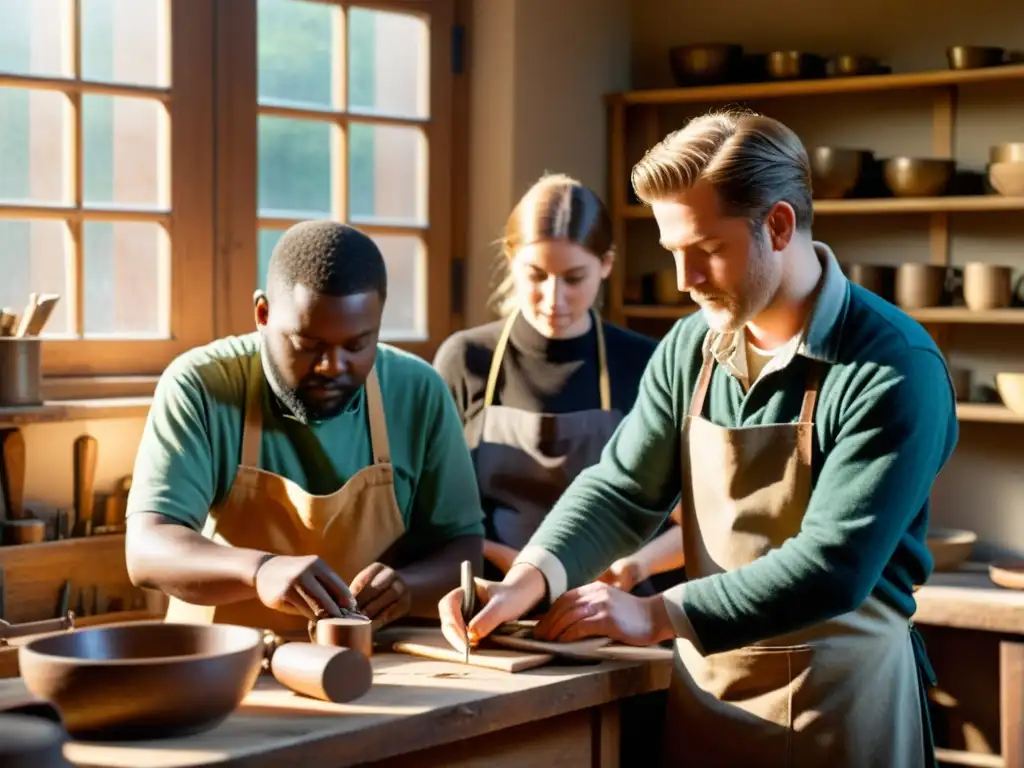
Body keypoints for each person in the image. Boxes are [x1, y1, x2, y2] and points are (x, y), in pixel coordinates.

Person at [438, 110, 958, 767]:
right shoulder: (693, 346)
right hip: (708, 700)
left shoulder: (893, 365)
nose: (684, 279)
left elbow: (834, 566)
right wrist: (531, 578)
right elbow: (623, 489)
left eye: (706, 249)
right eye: (671, 252)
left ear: (778, 226)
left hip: (843, 710)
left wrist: (654, 616)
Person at [124, 220, 484, 637]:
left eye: (356, 345)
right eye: (308, 344)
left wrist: (408, 588)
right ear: (262, 314)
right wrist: (259, 571)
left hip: (371, 664)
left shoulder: (417, 390)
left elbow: (463, 549)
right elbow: (147, 549)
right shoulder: (201, 384)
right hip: (225, 665)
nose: (332, 366)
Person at [432, 173, 684, 593]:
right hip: (492, 595)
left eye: (573, 278)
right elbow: (432, 511)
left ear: (606, 264)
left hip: (609, 601)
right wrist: (526, 572)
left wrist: (634, 568)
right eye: (536, 275)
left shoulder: (645, 363)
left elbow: (698, 522)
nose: (554, 298)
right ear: (511, 258)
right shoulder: (464, 359)